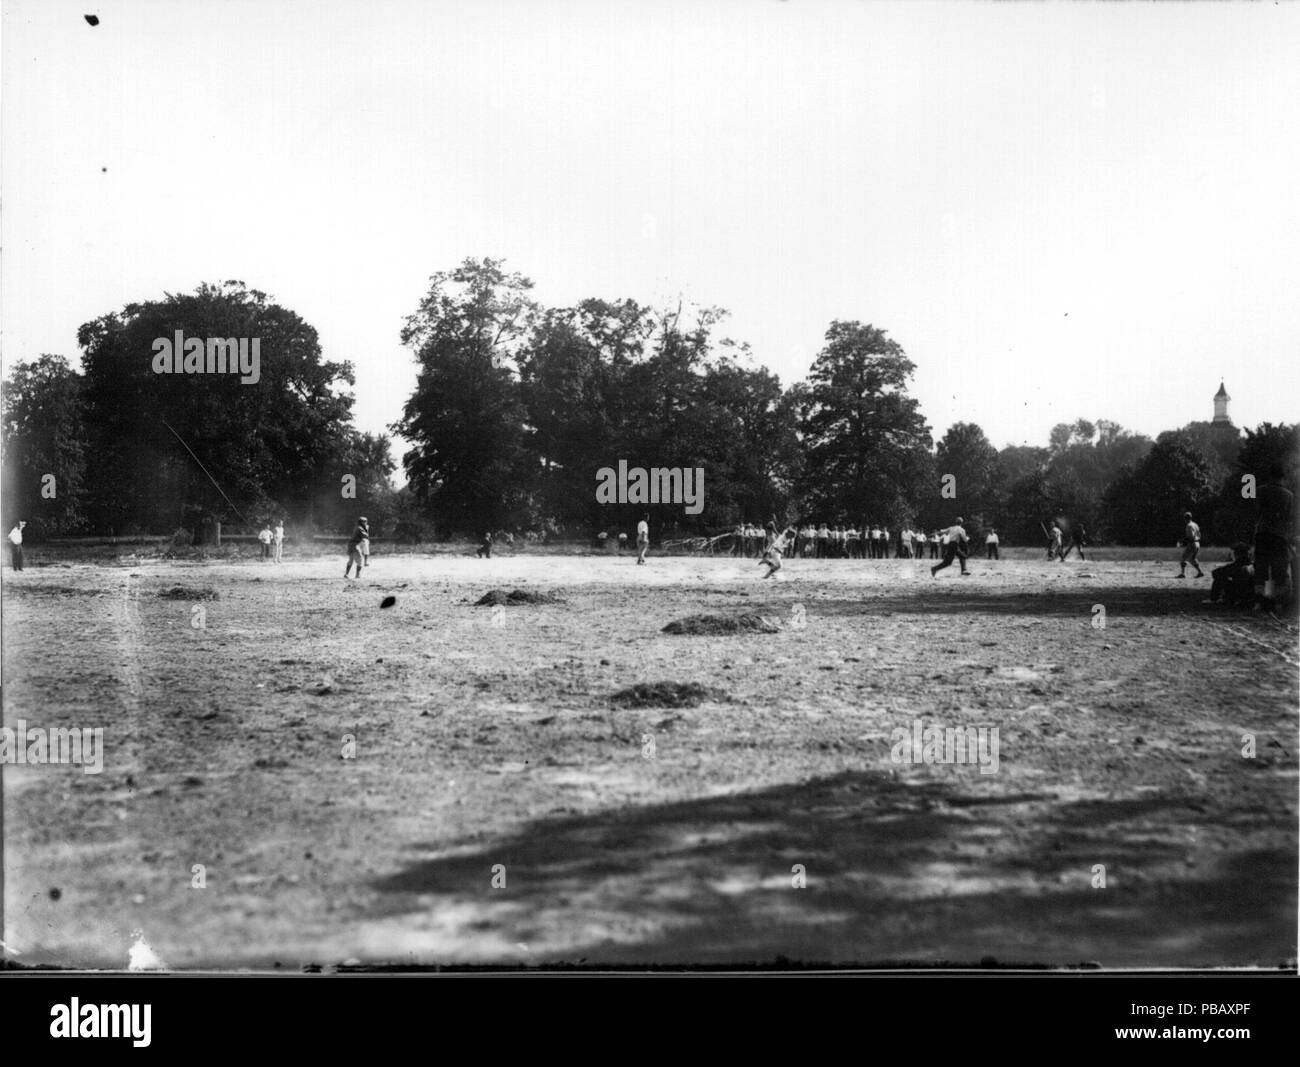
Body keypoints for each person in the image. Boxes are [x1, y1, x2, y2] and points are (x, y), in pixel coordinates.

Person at [1252, 464, 1294, 612]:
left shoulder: (1260, 491)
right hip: (1280, 535)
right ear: (1282, 477)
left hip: (1263, 533)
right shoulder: (1289, 495)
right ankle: (1278, 604)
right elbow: (1288, 517)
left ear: (1270, 476)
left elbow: (1257, 513)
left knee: (1261, 569)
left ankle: (1258, 602)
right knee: (1280, 571)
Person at [1205, 542, 1254, 607]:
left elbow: (1215, 573)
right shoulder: (1251, 564)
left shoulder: (1237, 564)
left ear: (1236, 553)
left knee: (1220, 578)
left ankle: (1214, 599)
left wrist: (1225, 570)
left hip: (1238, 593)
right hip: (1250, 594)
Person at [1176, 511, 1205, 579]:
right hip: (1197, 544)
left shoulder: (1189, 525)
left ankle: (1182, 574)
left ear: (1185, 518)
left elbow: (1190, 537)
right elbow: (1199, 535)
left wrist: (1182, 541)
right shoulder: (1195, 524)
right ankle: (1200, 572)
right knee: (1192, 559)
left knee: (1183, 558)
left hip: (1192, 544)